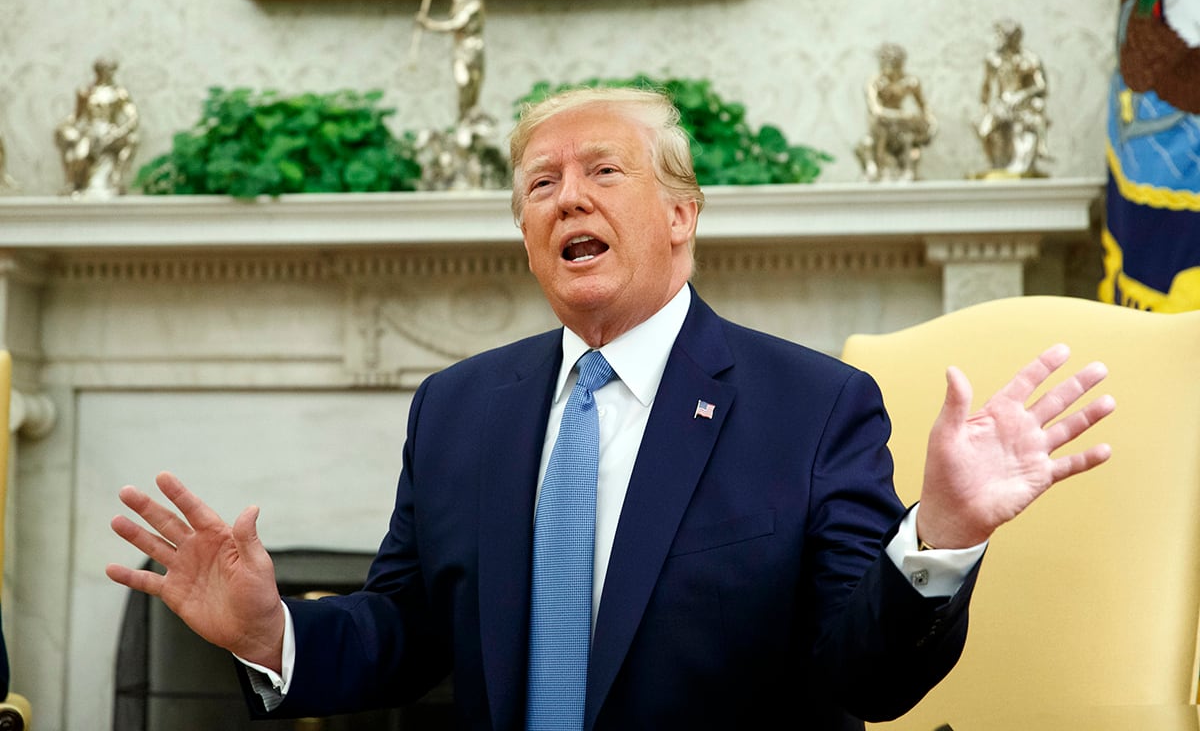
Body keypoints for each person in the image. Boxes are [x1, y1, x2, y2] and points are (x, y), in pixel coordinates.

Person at [107, 87, 1114, 730]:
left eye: (602, 171)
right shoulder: (456, 408)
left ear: (680, 215)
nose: (565, 197)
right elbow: (410, 632)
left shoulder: (813, 405)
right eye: (539, 183)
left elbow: (865, 675)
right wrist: (271, 629)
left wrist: (939, 534)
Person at [53, 58, 140, 197]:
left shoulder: (119, 92)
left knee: (132, 140)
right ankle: (73, 184)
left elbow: (133, 118)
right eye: (103, 70)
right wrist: (64, 127)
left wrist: (118, 132)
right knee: (79, 156)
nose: (106, 73)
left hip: (111, 132)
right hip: (90, 132)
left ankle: (115, 178)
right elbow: (76, 116)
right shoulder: (87, 92)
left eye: (109, 70)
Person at [975, 19, 1051, 177]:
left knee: (1023, 127)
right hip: (1002, 104)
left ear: (1012, 37)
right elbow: (986, 87)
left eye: (1000, 35)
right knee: (984, 131)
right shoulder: (993, 60)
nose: (996, 39)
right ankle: (997, 165)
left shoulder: (1030, 59)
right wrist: (984, 107)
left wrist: (1022, 95)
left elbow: (1042, 86)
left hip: (1023, 105)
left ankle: (1023, 162)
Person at [854, 43, 936, 181]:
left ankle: (907, 171)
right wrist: (905, 117)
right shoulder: (874, 82)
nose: (890, 68)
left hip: (901, 128)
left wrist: (932, 124)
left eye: (895, 64)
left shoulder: (910, 82)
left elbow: (924, 107)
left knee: (908, 137)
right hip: (881, 125)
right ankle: (878, 169)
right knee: (880, 128)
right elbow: (876, 111)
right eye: (887, 63)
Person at [417, 0, 488, 126]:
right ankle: (462, 120)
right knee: (462, 83)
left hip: (474, 51)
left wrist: (428, 24)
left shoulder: (474, 6)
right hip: (460, 51)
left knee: (471, 86)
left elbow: (456, 25)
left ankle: (468, 120)